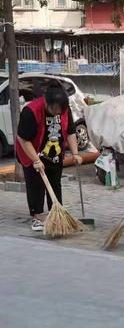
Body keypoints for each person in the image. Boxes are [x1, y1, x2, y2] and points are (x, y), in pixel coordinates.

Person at [17, 85, 82, 232]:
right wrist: (36, 160)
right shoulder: (31, 111)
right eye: (54, 110)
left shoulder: (65, 110)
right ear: (46, 103)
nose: (56, 114)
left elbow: (71, 131)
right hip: (31, 151)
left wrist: (76, 153)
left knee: (55, 183)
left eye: (60, 111)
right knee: (36, 185)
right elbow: (23, 139)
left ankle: (56, 214)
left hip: (54, 153)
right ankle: (37, 216)